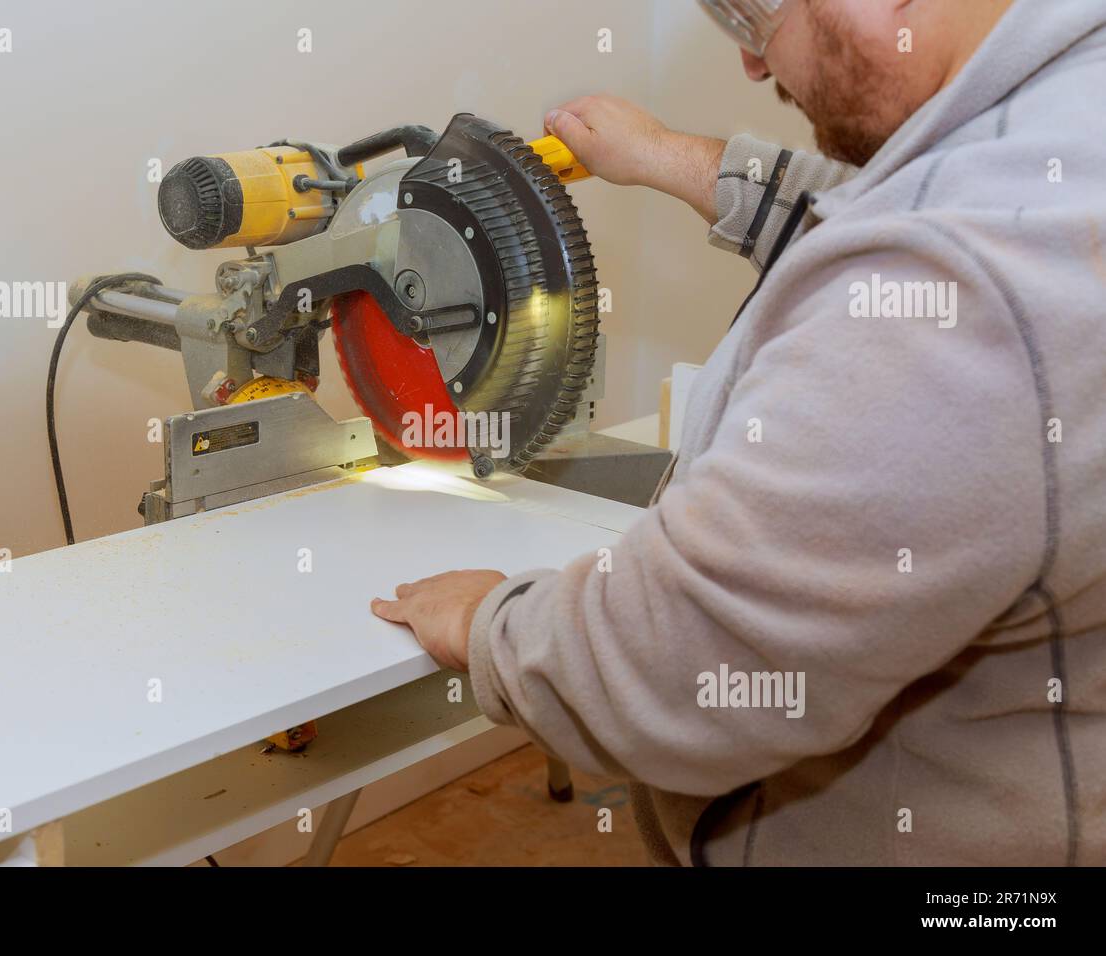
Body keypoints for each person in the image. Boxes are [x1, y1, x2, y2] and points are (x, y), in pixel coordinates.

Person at [371, 0, 1106, 865]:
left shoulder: (965, 278)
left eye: (751, 13)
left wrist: (492, 623)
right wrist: (659, 157)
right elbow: (880, 205)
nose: (753, 66)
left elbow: (674, 671)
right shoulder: (1060, 119)